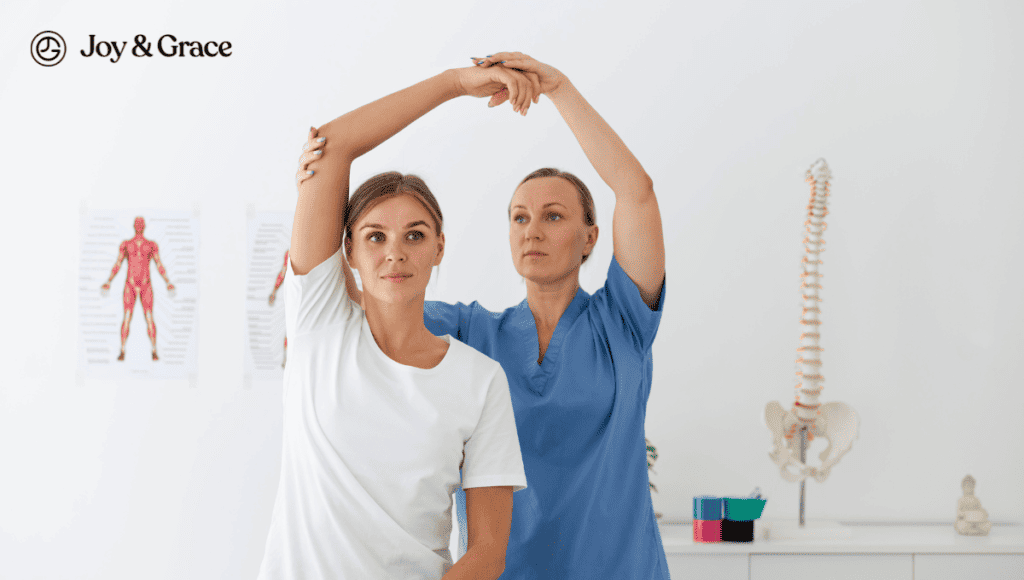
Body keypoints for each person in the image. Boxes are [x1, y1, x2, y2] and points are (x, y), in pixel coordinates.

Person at [328, 52, 669, 579]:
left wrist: (559, 87)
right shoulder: (469, 333)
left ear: (590, 239)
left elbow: (636, 191)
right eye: (520, 217)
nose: (532, 230)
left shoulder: (621, 326)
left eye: (554, 216)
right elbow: (367, 289)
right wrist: (327, 182)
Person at [258, 63, 540, 580]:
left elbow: (487, 553)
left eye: (414, 235)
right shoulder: (319, 323)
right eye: (375, 236)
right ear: (347, 251)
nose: (395, 253)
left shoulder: (480, 382)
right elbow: (332, 142)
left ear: (438, 248)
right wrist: (456, 84)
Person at [100, 216, 175, 361]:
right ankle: (122, 350)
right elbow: (118, 263)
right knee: (127, 317)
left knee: (149, 317)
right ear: (135, 226)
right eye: (137, 223)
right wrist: (109, 280)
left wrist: (167, 281)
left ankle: (154, 351)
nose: (139, 225)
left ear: (144, 226)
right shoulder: (126, 244)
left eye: (141, 223)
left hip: (146, 285)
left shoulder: (151, 245)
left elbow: (159, 264)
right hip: (130, 285)